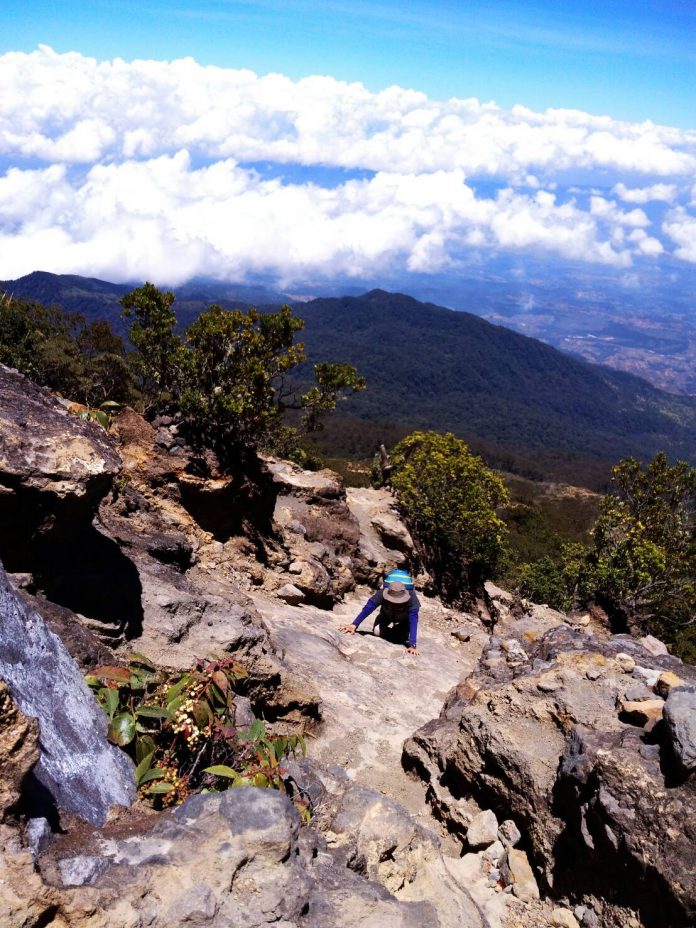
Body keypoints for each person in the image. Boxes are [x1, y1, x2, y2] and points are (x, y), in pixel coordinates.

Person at [339, 578, 420, 655]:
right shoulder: (381, 593)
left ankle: (399, 631)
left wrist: (412, 645)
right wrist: (354, 625)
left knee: (401, 639)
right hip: (385, 616)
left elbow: (413, 620)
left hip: (404, 621)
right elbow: (368, 608)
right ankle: (395, 632)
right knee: (377, 631)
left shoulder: (412, 598)